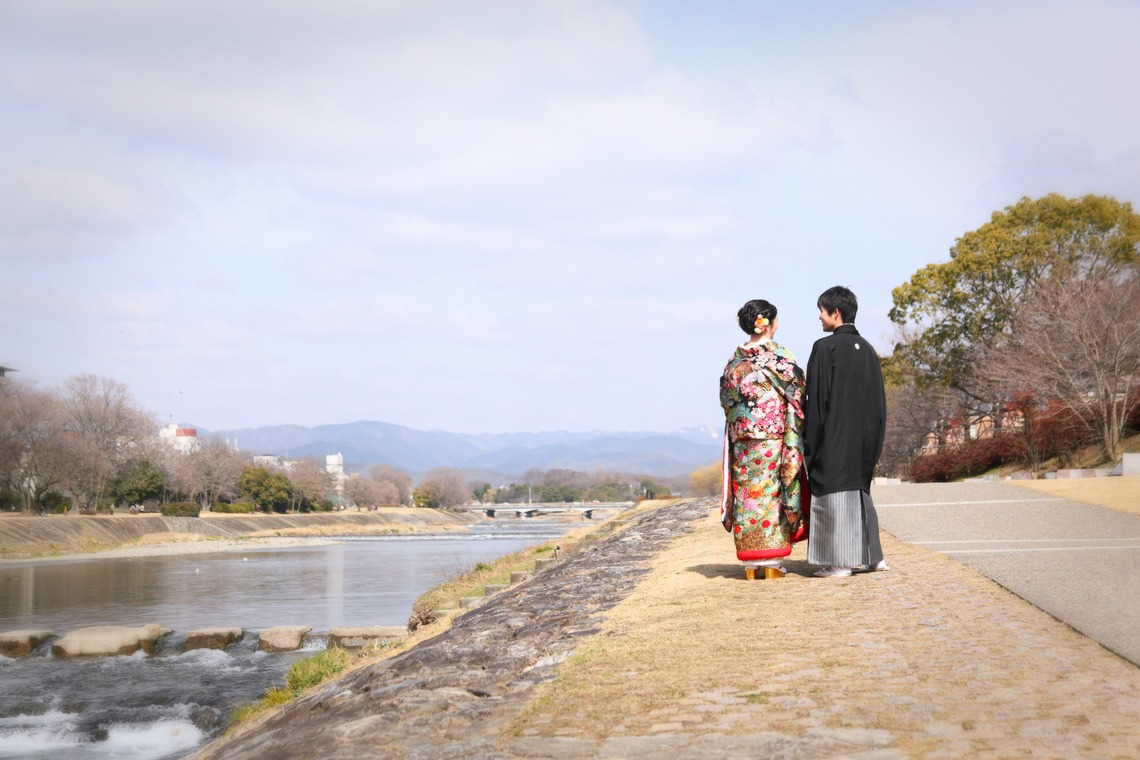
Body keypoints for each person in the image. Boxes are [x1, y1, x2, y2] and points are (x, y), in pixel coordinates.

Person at [719, 299, 809, 580]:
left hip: (742, 440)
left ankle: (750, 565)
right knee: (772, 493)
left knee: (746, 494)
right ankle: (771, 561)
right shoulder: (778, 356)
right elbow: (797, 389)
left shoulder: (733, 362)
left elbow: (726, 400)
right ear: (768, 323)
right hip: (772, 437)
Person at [803, 285, 889, 578]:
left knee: (833, 491)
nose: (819, 318)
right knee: (859, 492)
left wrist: (810, 444)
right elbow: (879, 400)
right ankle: (873, 557)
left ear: (835, 313)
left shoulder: (825, 348)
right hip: (865, 439)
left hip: (835, 438)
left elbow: (816, 401)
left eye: (822, 312)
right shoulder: (867, 349)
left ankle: (839, 562)